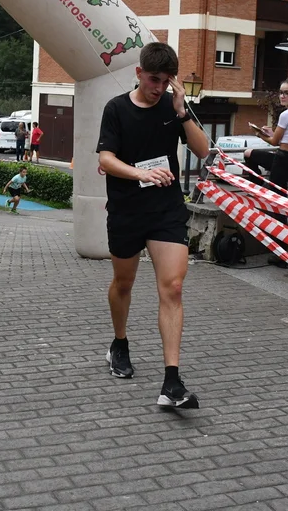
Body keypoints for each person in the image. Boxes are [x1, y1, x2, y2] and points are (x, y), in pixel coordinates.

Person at [96, 42, 210, 408]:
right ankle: (119, 343)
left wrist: (182, 112)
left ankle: (172, 383)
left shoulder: (173, 107)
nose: (159, 88)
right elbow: (106, 159)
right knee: (123, 283)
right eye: (153, 80)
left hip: (166, 210)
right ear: (139, 73)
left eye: (165, 82)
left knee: (173, 287)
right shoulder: (116, 108)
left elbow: (203, 150)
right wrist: (140, 173)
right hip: (127, 210)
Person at [244, 79, 288, 266]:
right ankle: (258, 187)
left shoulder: (287, 114)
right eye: (281, 92)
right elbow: (283, 139)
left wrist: (258, 133)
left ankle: (281, 254)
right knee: (249, 154)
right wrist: (270, 132)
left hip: (282, 159)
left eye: (286, 93)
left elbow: (274, 142)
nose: (282, 96)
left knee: (277, 208)